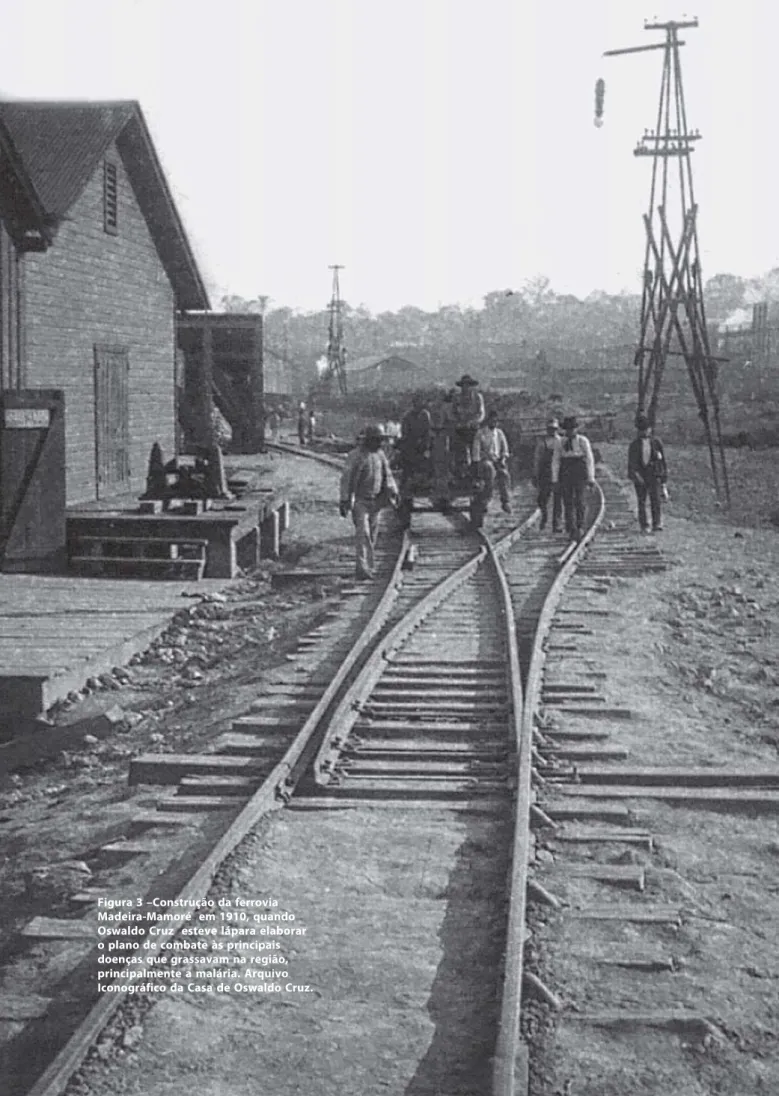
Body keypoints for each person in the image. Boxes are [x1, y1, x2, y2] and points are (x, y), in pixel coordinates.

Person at [339, 424, 399, 580]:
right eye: (377, 440)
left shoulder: (380, 455)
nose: (380, 443)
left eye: (381, 440)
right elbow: (346, 479)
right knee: (363, 534)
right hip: (360, 501)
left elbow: (388, 474)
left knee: (372, 535)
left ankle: (369, 567)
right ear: (369, 440)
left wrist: (393, 490)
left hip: (376, 502)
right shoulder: (356, 456)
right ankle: (362, 568)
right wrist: (345, 499)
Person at [551, 415, 596, 542]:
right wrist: (555, 479)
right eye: (568, 429)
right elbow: (556, 460)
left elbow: (589, 459)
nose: (570, 431)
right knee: (568, 501)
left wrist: (591, 477)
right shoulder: (560, 442)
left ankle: (580, 526)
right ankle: (571, 529)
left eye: (572, 429)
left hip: (579, 470)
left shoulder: (583, 441)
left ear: (576, 429)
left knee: (580, 500)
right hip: (566, 471)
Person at [627, 412, 668, 533]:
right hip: (640, 475)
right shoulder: (634, 445)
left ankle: (657, 523)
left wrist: (663, 478)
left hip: (653, 475)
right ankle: (644, 525)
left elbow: (662, 461)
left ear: (650, 429)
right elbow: (631, 463)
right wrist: (635, 476)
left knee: (655, 500)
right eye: (641, 430)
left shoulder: (656, 443)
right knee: (642, 501)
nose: (644, 432)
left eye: (646, 429)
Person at [472, 409, 512, 513]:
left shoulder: (499, 433)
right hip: (484, 461)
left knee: (504, 474)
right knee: (489, 471)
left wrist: (503, 459)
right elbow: (476, 451)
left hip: (497, 460)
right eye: (492, 420)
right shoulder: (481, 433)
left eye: (496, 421)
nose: (494, 422)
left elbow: (505, 450)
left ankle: (505, 501)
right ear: (488, 420)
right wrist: (477, 463)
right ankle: (486, 500)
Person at [533, 417, 562, 532]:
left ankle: (556, 523)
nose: (552, 431)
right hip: (544, 472)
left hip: (558, 473)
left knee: (558, 500)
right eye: (550, 429)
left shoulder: (561, 441)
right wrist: (535, 474)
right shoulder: (542, 442)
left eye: (554, 429)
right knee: (542, 499)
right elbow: (537, 458)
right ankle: (544, 517)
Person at [451, 374, 485, 470]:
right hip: (460, 429)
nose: (466, 387)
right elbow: (452, 413)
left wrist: (473, 421)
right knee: (459, 451)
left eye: (468, 385)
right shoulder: (456, 398)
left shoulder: (478, 397)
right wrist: (458, 421)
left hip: (473, 429)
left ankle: (476, 469)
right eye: (464, 385)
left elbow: (481, 413)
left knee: (476, 449)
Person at [399, 394, 432, 475]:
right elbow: (405, 433)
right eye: (417, 403)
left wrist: (426, 446)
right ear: (414, 404)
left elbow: (428, 430)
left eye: (421, 403)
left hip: (422, 445)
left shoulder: (425, 415)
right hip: (411, 445)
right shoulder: (407, 416)